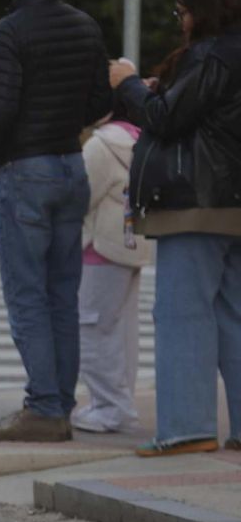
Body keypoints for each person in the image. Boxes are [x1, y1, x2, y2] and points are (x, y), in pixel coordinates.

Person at [0, 0, 113, 444]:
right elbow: (101, 97)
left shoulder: (9, 32)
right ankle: (59, 404)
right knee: (62, 295)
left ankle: (45, 408)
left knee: (27, 295)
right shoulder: (85, 26)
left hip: (25, 171)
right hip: (72, 167)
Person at [110, 0, 241, 456]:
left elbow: (165, 120)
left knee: (183, 314)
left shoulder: (212, 55)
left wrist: (128, 85)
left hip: (196, 204)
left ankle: (186, 428)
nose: (180, 22)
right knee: (233, 316)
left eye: (182, 12)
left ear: (203, 11)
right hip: (233, 206)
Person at [73, 106, 152, 434]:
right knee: (122, 332)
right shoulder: (141, 138)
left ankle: (110, 408)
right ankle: (118, 402)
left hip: (100, 247)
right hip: (133, 244)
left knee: (93, 327)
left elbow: (80, 196)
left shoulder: (101, 145)